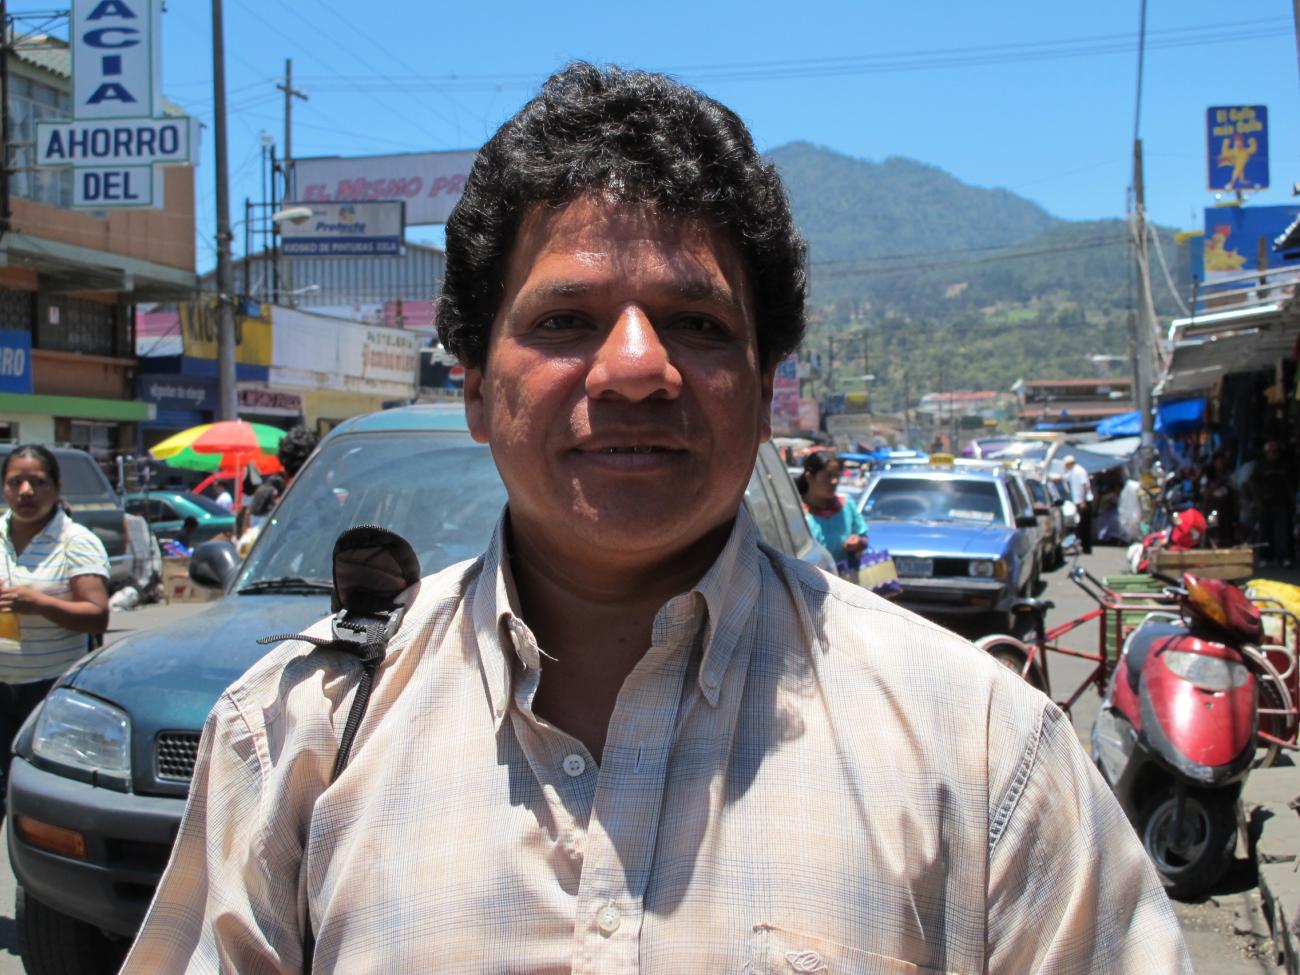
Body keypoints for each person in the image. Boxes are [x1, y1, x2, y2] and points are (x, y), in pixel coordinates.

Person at [124, 64, 1188, 973]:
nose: (636, 366)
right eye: (564, 320)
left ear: (764, 392)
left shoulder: (982, 749)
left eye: (695, 322)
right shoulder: (299, 735)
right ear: (475, 387)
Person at [0, 445, 110, 813]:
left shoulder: (75, 541)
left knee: (42, 796)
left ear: (57, 487)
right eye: (15, 482)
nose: (26, 491)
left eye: (38, 482)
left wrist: (39, 603)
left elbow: (97, 615)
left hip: (48, 691)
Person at [796, 450, 867, 574]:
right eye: (828, 476)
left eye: (837, 476)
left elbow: (863, 537)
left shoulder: (847, 505)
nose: (835, 481)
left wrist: (858, 543)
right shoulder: (795, 511)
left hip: (845, 580)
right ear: (809, 477)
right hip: (807, 580)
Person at [1251, 440, 1295, 568]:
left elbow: (1290, 484)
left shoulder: (1285, 466)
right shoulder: (1260, 466)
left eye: (1275, 452)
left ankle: (1285, 557)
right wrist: (1257, 499)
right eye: (1270, 452)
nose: (1272, 454)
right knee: (1265, 531)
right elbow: (1253, 484)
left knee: (1283, 531)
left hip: (1282, 503)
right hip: (1265, 504)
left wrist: (1292, 501)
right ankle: (1265, 557)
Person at [1063, 454, 1094, 554]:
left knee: (1084, 525)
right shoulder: (1072, 472)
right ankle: (1083, 546)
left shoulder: (1079, 471)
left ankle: (1086, 547)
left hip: (1083, 501)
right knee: (1081, 525)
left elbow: (1085, 485)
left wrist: (1083, 500)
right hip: (1079, 501)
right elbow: (1063, 478)